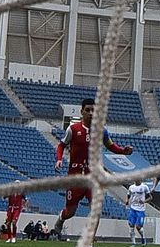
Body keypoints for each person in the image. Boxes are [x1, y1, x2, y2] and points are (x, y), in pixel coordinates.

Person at [52, 98, 134, 238]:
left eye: (93, 110)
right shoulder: (73, 129)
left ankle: (89, 240)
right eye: (88, 110)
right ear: (82, 111)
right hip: (75, 176)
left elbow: (110, 146)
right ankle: (61, 219)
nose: (91, 113)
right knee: (70, 212)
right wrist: (59, 159)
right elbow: (61, 145)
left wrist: (123, 151)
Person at [126, 180, 152, 246]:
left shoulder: (144, 187)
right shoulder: (131, 187)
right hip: (132, 208)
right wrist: (127, 200)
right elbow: (128, 195)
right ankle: (133, 243)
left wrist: (144, 201)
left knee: (138, 227)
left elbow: (150, 197)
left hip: (141, 210)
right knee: (131, 225)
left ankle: (143, 239)